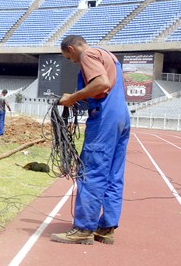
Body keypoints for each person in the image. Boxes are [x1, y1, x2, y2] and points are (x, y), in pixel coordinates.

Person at [51, 35, 131, 245]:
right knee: (114, 174)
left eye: (69, 57)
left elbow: (101, 83)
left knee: (91, 172)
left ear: (71, 48)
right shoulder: (108, 56)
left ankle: (83, 229)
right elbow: (106, 86)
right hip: (121, 116)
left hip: (104, 119)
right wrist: (79, 96)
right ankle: (106, 228)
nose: (73, 62)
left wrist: (72, 98)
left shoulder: (87, 55)